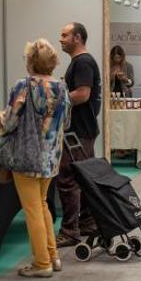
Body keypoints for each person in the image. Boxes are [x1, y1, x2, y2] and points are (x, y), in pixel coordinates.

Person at [0, 39, 70, 277]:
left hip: (27, 156)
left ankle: (42, 264)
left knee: (32, 209)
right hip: (51, 156)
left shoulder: (23, 86)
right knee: (42, 205)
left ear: (31, 61)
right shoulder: (61, 87)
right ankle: (52, 256)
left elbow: (10, 121)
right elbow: (66, 122)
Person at [56, 22, 101, 247]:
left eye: (65, 35)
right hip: (81, 131)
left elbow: (83, 95)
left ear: (78, 38)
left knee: (68, 179)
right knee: (82, 178)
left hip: (78, 132)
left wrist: (54, 100)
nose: (61, 39)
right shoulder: (79, 62)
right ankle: (87, 222)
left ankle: (70, 230)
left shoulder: (83, 62)